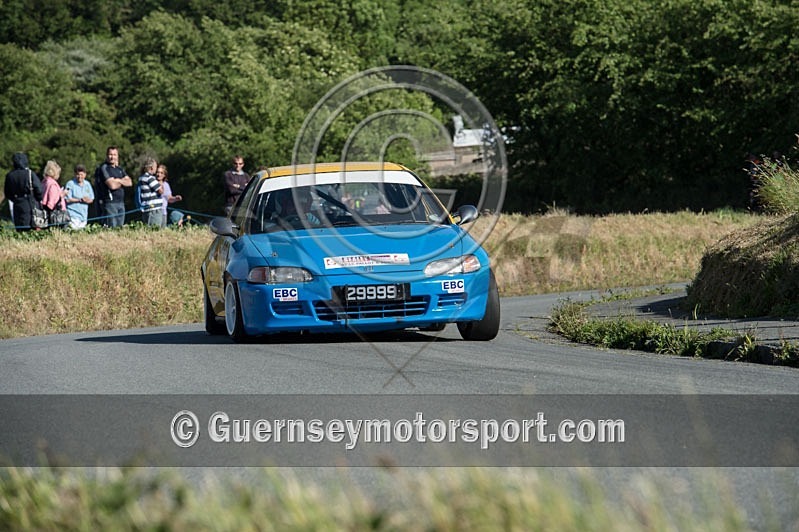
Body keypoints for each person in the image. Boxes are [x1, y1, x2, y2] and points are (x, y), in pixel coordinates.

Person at [3, 152, 43, 231]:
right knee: (32, 228)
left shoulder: (10, 176)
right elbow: (38, 189)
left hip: (17, 204)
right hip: (30, 204)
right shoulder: (30, 174)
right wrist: (38, 199)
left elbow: (7, 193)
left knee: (20, 229)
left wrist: (15, 199)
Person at [95, 146, 133, 227]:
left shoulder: (120, 169)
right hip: (110, 203)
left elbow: (129, 182)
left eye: (114, 155)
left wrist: (117, 180)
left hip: (121, 202)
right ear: (107, 155)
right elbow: (112, 185)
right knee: (111, 228)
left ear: (117, 156)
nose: (112, 157)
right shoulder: (104, 168)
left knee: (119, 228)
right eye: (110, 154)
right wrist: (122, 181)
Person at [64, 164, 95, 229]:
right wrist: (80, 200)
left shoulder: (87, 184)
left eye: (81, 174)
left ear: (85, 174)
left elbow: (91, 199)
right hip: (72, 215)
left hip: (83, 216)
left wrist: (87, 200)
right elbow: (67, 199)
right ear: (75, 174)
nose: (80, 176)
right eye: (78, 174)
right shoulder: (70, 184)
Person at [40, 160, 68, 227]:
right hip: (56, 216)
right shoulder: (52, 185)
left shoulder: (44, 182)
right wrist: (62, 195)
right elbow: (52, 203)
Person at [137, 158, 164, 227]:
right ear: (152, 167)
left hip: (146, 208)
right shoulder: (150, 178)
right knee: (155, 230)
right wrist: (161, 183)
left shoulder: (141, 178)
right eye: (156, 167)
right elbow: (160, 191)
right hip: (154, 209)